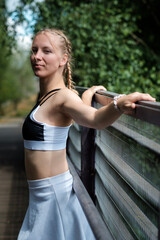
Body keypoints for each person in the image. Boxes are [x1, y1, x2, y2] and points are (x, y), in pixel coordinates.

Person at [17, 28, 155, 240]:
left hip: (54, 199)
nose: (37, 57)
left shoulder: (62, 97)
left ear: (63, 59)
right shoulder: (52, 98)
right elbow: (74, 117)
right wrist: (87, 95)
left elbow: (94, 119)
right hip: (41, 198)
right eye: (34, 50)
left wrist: (119, 103)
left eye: (46, 51)